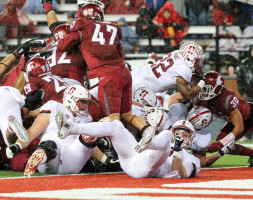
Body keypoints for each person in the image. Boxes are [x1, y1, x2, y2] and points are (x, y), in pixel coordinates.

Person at [53, 2, 156, 153]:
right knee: (126, 113)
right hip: (124, 72)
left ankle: (126, 152)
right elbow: (119, 52)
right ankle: (146, 129)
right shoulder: (114, 27)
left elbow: (62, 46)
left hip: (108, 76)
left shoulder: (82, 25)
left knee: (114, 120)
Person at [56, 111, 201, 178]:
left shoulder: (192, 159)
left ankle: (148, 142)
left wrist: (176, 150)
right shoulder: (166, 142)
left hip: (148, 169)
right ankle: (70, 128)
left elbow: (180, 174)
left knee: (166, 135)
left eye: (185, 134)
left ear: (192, 138)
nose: (180, 136)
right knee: (116, 126)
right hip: (133, 157)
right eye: (178, 132)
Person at [5, 85, 98, 176]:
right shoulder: (54, 107)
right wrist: (17, 146)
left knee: (90, 137)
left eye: (86, 102)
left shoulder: (87, 118)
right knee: (50, 145)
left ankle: (41, 154)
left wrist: (105, 160)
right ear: (70, 99)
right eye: (82, 101)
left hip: (71, 159)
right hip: (51, 158)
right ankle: (38, 157)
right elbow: (31, 133)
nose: (85, 106)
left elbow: (89, 146)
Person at [131, 41, 206, 102]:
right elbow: (187, 95)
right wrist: (202, 82)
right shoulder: (183, 69)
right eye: (197, 60)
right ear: (189, 59)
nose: (198, 63)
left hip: (134, 75)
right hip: (138, 89)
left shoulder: (176, 53)